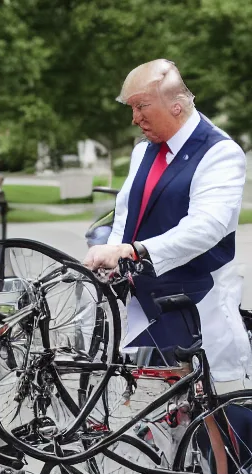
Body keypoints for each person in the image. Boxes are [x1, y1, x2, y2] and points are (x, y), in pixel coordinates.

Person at [84, 60, 250, 386]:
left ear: (176, 105)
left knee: (212, 414)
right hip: (147, 306)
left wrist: (133, 251)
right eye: (131, 108)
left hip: (198, 305)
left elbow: (205, 228)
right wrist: (111, 253)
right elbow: (125, 216)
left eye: (142, 106)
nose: (134, 118)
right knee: (162, 416)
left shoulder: (220, 152)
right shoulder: (144, 151)